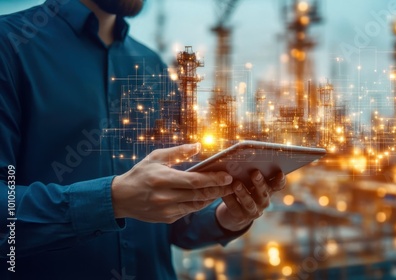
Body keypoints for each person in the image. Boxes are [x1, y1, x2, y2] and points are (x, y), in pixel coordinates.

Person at [0, 0, 286, 279]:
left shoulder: (153, 67)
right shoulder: (8, 45)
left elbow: (179, 220)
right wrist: (110, 201)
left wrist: (228, 215)